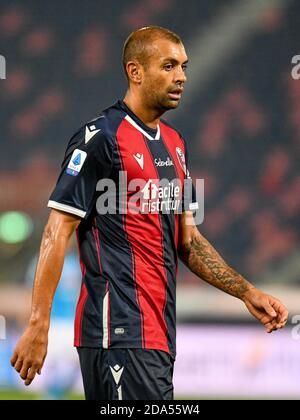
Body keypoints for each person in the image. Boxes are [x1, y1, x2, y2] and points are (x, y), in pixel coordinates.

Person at [11, 26, 288, 400]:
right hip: (117, 332)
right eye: (169, 66)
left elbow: (188, 242)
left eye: (184, 67)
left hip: (158, 336)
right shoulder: (100, 138)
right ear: (135, 71)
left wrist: (246, 291)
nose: (181, 77)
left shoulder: (176, 145)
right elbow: (56, 231)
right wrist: (38, 324)